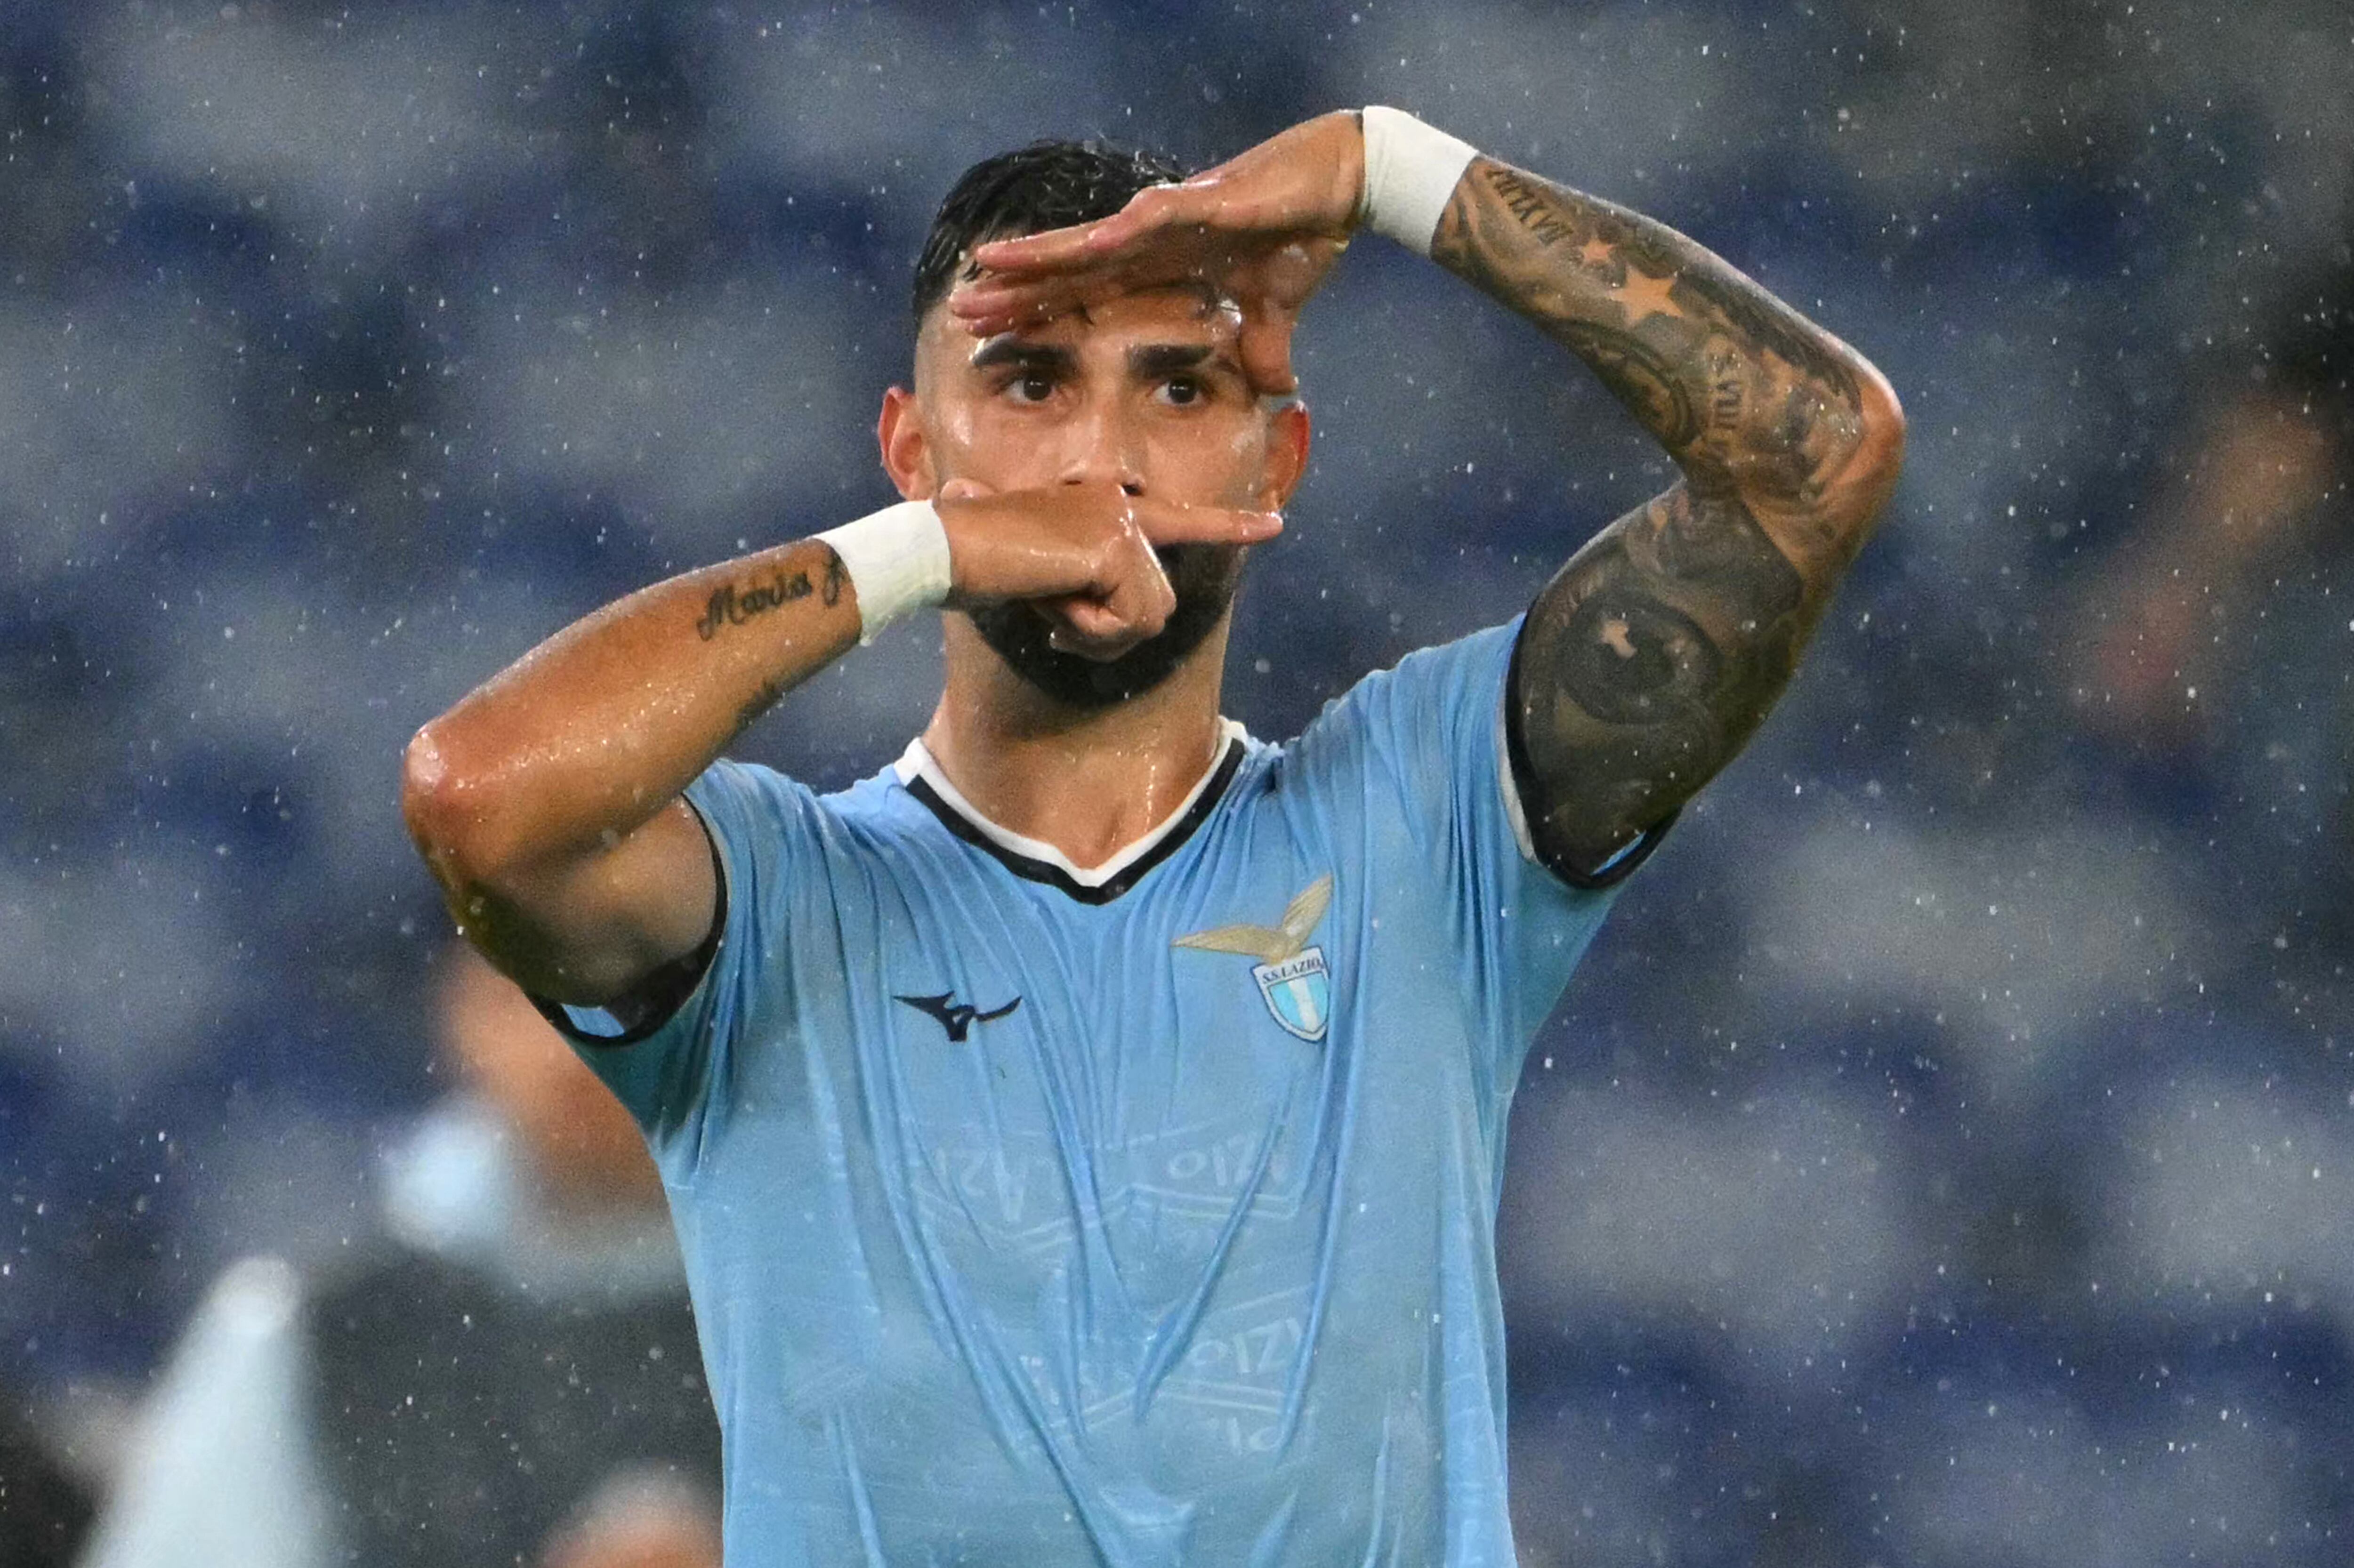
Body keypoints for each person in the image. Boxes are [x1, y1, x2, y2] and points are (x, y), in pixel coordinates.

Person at [403, 107, 1903, 1564]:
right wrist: (938, 551)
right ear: (912, 452)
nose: (1101, 457)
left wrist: (1401, 175)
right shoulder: (775, 898)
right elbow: (481, 793)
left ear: (1278, 462)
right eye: (1031, 382)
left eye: (1180, 387)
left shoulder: (1429, 813)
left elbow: (1817, 455)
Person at [81, 944, 718, 1568]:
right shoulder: (311, 1333)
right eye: (532, 993)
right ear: (460, 1010)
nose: (574, 1051)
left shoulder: (813, 1300)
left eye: (631, 992)